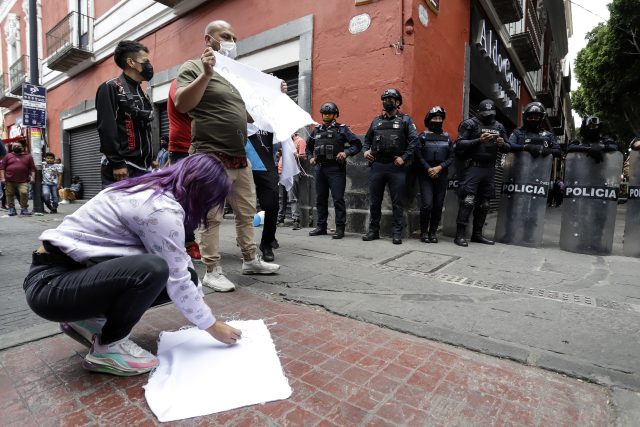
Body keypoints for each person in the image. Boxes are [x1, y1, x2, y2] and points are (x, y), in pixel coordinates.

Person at [23, 154, 241, 376]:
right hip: (51, 287)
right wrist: (212, 327)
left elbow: (181, 263)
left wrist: (203, 308)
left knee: (185, 276)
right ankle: (108, 348)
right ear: (201, 193)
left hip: (65, 278)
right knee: (153, 269)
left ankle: (86, 321)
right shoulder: (160, 210)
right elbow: (175, 276)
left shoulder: (146, 190)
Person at [174, 20, 280, 292]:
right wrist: (206, 74)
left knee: (246, 211)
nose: (232, 40)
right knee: (212, 215)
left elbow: (250, 116)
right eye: (225, 36)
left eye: (234, 36)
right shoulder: (194, 67)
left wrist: (273, 96)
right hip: (209, 156)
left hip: (238, 156)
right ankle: (212, 270)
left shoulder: (234, 77)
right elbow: (182, 103)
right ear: (208, 39)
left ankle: (250, 258)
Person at [362, 88, 419, 244]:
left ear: (398, 102)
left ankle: (397, 233)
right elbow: (367, 140)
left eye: (391, 99)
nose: (387, 101)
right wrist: (365, 151)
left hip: (396, 167)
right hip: (377, 166)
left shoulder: (405, 120)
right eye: (385, 98)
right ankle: (373, 231)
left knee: (397, 202)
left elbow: (415, 141)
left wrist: (404, 157)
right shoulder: (375, 121)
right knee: (375, 201)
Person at [96, 40, 154, 188]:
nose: (149, 65)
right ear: (131, 62)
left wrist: (151, 158)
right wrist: (117, 163)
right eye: (145, 61)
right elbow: (106, 129)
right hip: (123, 168)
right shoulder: (110, 88)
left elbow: (145, 127)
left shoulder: (141, 92)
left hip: (144, 168)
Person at [454, 99, 509, 247]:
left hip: (490, 168)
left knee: (485, 203)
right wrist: (479, 140)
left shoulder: (499, 126)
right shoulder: (469, 124)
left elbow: (507, 146)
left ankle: (477, 235)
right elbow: (459, 144)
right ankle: (459, 235)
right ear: (479, 112)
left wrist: (502, 144)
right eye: (485, 113)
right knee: (468, 200)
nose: (488, 116)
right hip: (473, 167)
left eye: (491, 113)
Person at [306, 102, 362, 239]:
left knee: (338, 199)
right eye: (324, 113)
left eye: (329, 113)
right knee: (320, 199)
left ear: (335, 114)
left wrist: (346, 153)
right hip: (320, 169)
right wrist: (310, 158)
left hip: (336, 169)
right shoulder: (317, 130)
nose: (326, 115)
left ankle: (340, 228)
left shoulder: (342, 129)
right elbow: (308, 148)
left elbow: (357, 144)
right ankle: (321, 227)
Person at [167, 78, 201, 260]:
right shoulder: (179, 83)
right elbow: (183, 105)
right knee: (183, 199)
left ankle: (188, 238)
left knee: (195, 199)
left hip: (202, 147)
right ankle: (187, 241)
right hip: (182, 149)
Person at [416, 106, 454, 243]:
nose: (437, 120)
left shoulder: (448, 137)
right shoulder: (423, 136)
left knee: (438, 205)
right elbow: (418, 155)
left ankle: (433, 232)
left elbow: (451, 157)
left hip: (441, 174)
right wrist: (429, 169)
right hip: (425, 174)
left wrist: (439, 168)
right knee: (427, 204)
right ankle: (424, 232)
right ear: (429, 120)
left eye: (439, 118)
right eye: (434, 118)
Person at [246, 129, 280, 261]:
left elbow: (278, 141)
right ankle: (246, 243)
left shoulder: (268, 117)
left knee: (271, 204)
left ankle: (267, 242)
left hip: (265, 166)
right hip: (239, 164)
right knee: (242, 207)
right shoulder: (234, 110)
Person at [277, 133, 306, 230]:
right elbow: (280, 155)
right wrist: (279, 154)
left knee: (292, 197)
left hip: (292, 173)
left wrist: (294, 154)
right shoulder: (284, 141)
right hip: (281, 172)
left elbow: (303, 157)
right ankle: (280, 219)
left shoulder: (300, 141)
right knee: (281, 198)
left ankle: (296, 220)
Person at [0, 142, 36, 216]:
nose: (16, 146)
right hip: (9, 180)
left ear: (22, 147)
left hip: (23, 180)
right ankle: (11, 209)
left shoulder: (28, 156)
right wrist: (3, 178)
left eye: (18, 146)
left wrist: (33, 177)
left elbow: (32, 168)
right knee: (9, 194)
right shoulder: (8, 156)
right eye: (14, 146)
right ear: (12, 147)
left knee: (24, 193)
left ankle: (24, 209)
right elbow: (2, 168)